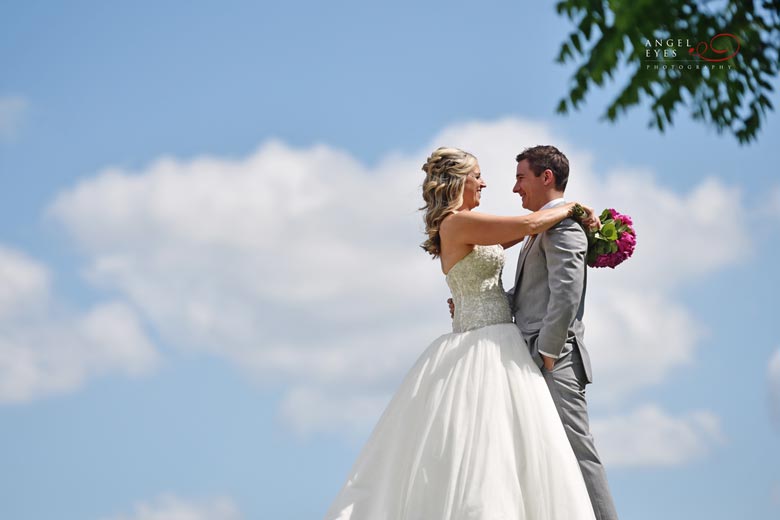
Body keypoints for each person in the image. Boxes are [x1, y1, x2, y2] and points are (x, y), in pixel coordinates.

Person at [323, 147, 599, 519]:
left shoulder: (471, 225)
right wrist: (572, 208)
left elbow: (523, 240)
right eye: (478, 176)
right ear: (459, 181)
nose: (485, 182)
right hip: (483, 343)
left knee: (515, 448)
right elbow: (529, 226)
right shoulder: (456, 223)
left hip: (501, 337)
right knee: (484, 447)